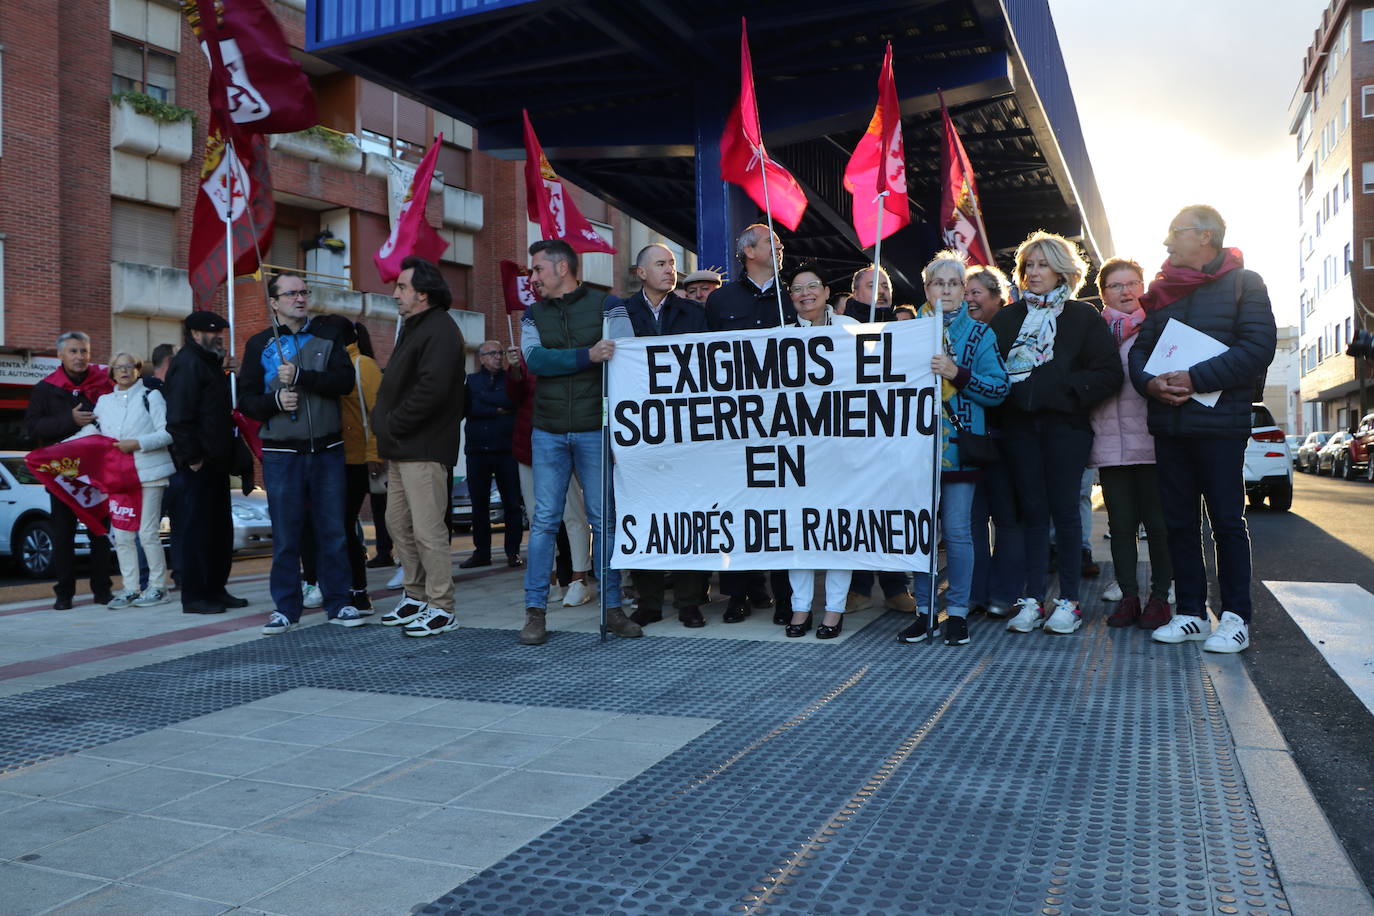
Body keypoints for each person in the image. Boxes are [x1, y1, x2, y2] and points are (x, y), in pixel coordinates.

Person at [1130, 205, 1277, 653]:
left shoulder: (1245, 283)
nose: (1167, 242)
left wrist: (1195, 378)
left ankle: (1235, 618)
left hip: (1220, 426)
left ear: (1205, 236)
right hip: (1170, 424)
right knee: (1178, 523)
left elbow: (1258, 347)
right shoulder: (1163, 290)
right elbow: (1141, 351)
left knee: (1227, 523)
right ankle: (1191, 613)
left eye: (1175, 232)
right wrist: (1150, 383)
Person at [990, 230, 1121, 636]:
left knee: (1064, 513)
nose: (1033, 272)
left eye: (1042, 264)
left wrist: (1065, 389)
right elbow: (991, 373)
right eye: (1028, 265)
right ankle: (1033, 599)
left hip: (1066, 429)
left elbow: (1109, 373)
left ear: (1062, 271)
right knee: (1032, 514)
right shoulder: (1007, 318)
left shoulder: (1082, 316)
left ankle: (1069, 601)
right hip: (1019, 429)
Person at [519, 238, 641, 645]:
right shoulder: (533, 313)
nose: (532, 277)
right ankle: (535, 612)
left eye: (537, 268)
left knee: (604, 520)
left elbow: (627, 357)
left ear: (562, 268)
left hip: (595, 427)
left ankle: (612, 608)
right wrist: (586, 356)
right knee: (544, 522)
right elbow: (534, 360)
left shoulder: (609, 306)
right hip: (548, 429)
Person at [240, 274, 364, 634]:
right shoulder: (259, 344)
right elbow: (245, 401)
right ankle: (285, 608)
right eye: (291, 293)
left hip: (327, 450)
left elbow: (345, 382)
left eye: (304, 292)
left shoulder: (329, 335)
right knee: (286, 536)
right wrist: (276, 401)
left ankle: (339, 603)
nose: (300, 298)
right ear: (274, 302)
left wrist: (302, 376)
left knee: (334, 531)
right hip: (282, 454)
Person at [897, 252, 1009, 647]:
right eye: (937, 283)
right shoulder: (905, 333)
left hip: (959, 450)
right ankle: (925, 612)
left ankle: (957, 612)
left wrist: (956, 373)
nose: (945, 290)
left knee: (959, 533)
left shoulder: (980, 334)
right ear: (926, 288)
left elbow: (999, 389)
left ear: (964, 290)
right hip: (914, 452)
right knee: (922, 535)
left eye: (952, 283)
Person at [608, 244, 713, 628]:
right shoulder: (619, 314)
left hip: (685, 432)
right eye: (661, 264)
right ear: (641, 272)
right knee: (642, 515)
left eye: (672, 264)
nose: (670, 270)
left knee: (689, 514)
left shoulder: (693, 313)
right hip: (637, 434)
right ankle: (649, 600)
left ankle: (689, 601)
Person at [372, 256, 467, 637]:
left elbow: (432, 389)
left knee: (428, 530)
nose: (395, 294)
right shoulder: (414, 327)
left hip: (424, 446)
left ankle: (442, 606)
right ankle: (415, 596)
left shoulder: (440, 329)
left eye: (402, 287)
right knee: (397, 523)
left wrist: (393, 423)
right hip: (402, 447)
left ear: (423, 294)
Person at [1087, 258, 1173, 630]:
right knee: (1121, 526)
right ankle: (1128, 597)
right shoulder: (1094, 334)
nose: (1126, 292)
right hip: (1110, 444)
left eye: (1133, 283)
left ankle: (1160, 597)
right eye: (1116, 285)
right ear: (1103, 293)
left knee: (1159, 525)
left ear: (1143, 286)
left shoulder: (1159, 327)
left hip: (1154, 441)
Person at [781, 266, 859, 639]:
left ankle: (834, 609)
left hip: (841, 446)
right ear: (790, 297)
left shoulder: (849, 329)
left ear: (827, 292)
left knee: (838, 526)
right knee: (797, 526)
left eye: (813, 286)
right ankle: (800, 607)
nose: (805, 293)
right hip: (797, 449)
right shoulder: (779, 336)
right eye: (798, 289)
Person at [163, 311, 248, 615]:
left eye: (220, 333)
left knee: (218, 532)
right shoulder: (188, 364)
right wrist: (193, 458)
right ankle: (195, 596)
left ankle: (215, 589)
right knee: (197, 532)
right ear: (195, 334)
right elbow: (178, 418)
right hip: (199, 464)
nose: (219, 338)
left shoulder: (209, 363)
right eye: (212, 333)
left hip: (217, 461)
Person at [23, 331, 114, 609]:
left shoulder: (104, 383)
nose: (80, 357)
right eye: (73, 351)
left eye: (84, 351)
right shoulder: (44, 388)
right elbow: (33, 428)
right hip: (61, 474)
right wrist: (70, 419)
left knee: (100, 532)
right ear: (60, 355)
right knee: (63, 534)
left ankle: (102, 590)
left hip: (96, 471)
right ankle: (64, 594)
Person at [78, 352, 174, 607]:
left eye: (129, 366)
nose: (124, 371)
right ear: (111, 372)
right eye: (118, 367)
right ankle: (130, 588)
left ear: (138, 370)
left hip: (150, 474)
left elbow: (168, 433)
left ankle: (158, 587)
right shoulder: (104, 401)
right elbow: (92, 433)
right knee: (121, 535)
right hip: (118, 477)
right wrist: (60, 449)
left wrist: (138, 443)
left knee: (147, 533)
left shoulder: (151, 396)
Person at [506, 346, 596, 607]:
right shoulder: (528, 354)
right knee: (538, 518)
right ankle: (551, 579)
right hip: (529, 446)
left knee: (572, 514)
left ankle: (580, 578)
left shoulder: (568, 347)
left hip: (562, 442)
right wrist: (514, 371)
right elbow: (515, 397)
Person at [309, 315, 384, 616]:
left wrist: (374, 454)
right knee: (332, 525)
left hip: (356, 460)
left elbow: (378, 412)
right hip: (329, 457)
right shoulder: (326, 363)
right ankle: (333, 585)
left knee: (343, 525)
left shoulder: (363, 365)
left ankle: (358, 590)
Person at [963, 265, 1021, 619]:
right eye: (965, 293)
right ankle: (974, 593)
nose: (969, 299)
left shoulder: (1012, 329)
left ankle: (1004, 593)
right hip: (969, 438)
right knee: (972, 521)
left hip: (1006, 436)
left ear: (998, 298)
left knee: (1006, 519)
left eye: (976, 293)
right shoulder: (955, 333)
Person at [460, 340, 524, 570]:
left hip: (506, 450)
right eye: (493, 353)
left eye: (500, 353)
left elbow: (510, 400)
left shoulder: (510, 379)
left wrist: (484, 400)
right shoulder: (471, 380)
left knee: (512, 504)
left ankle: (513, 552)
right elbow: (468, 408)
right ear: (482, 357)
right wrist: (496, 408)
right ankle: (482, 552)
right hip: (477, 451)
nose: (498, 357)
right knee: (479, 505)